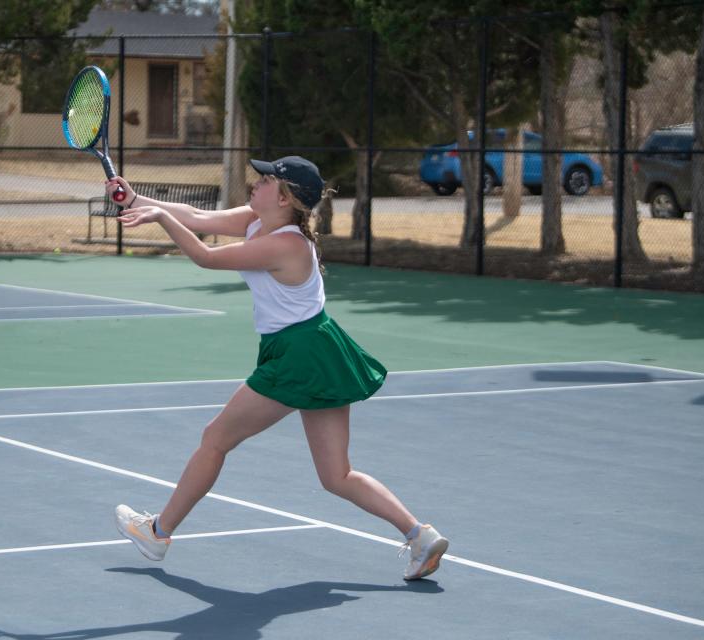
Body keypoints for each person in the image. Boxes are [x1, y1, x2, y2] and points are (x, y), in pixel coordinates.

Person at [109, 156, 449, 581]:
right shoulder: (257, 220)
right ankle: (420, 535)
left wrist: (159, 216)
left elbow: (205, 257)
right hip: (318, 347)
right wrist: (137, 198)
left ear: (285, 198)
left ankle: (157, 533)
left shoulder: (285, 244)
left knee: (215, 439)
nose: (256, 182)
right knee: (336, 475)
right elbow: (199, 217)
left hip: (299, 352)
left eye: (267, 180)